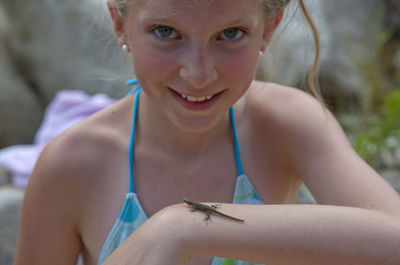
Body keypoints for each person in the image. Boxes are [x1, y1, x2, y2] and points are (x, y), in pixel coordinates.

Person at [13, 0, 400, 265]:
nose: (198, 75)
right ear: (120, 23)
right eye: (166, 31)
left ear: (268, 29)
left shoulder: (286, 124)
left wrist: (187, 226)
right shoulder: (72, 166)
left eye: (230, 34)